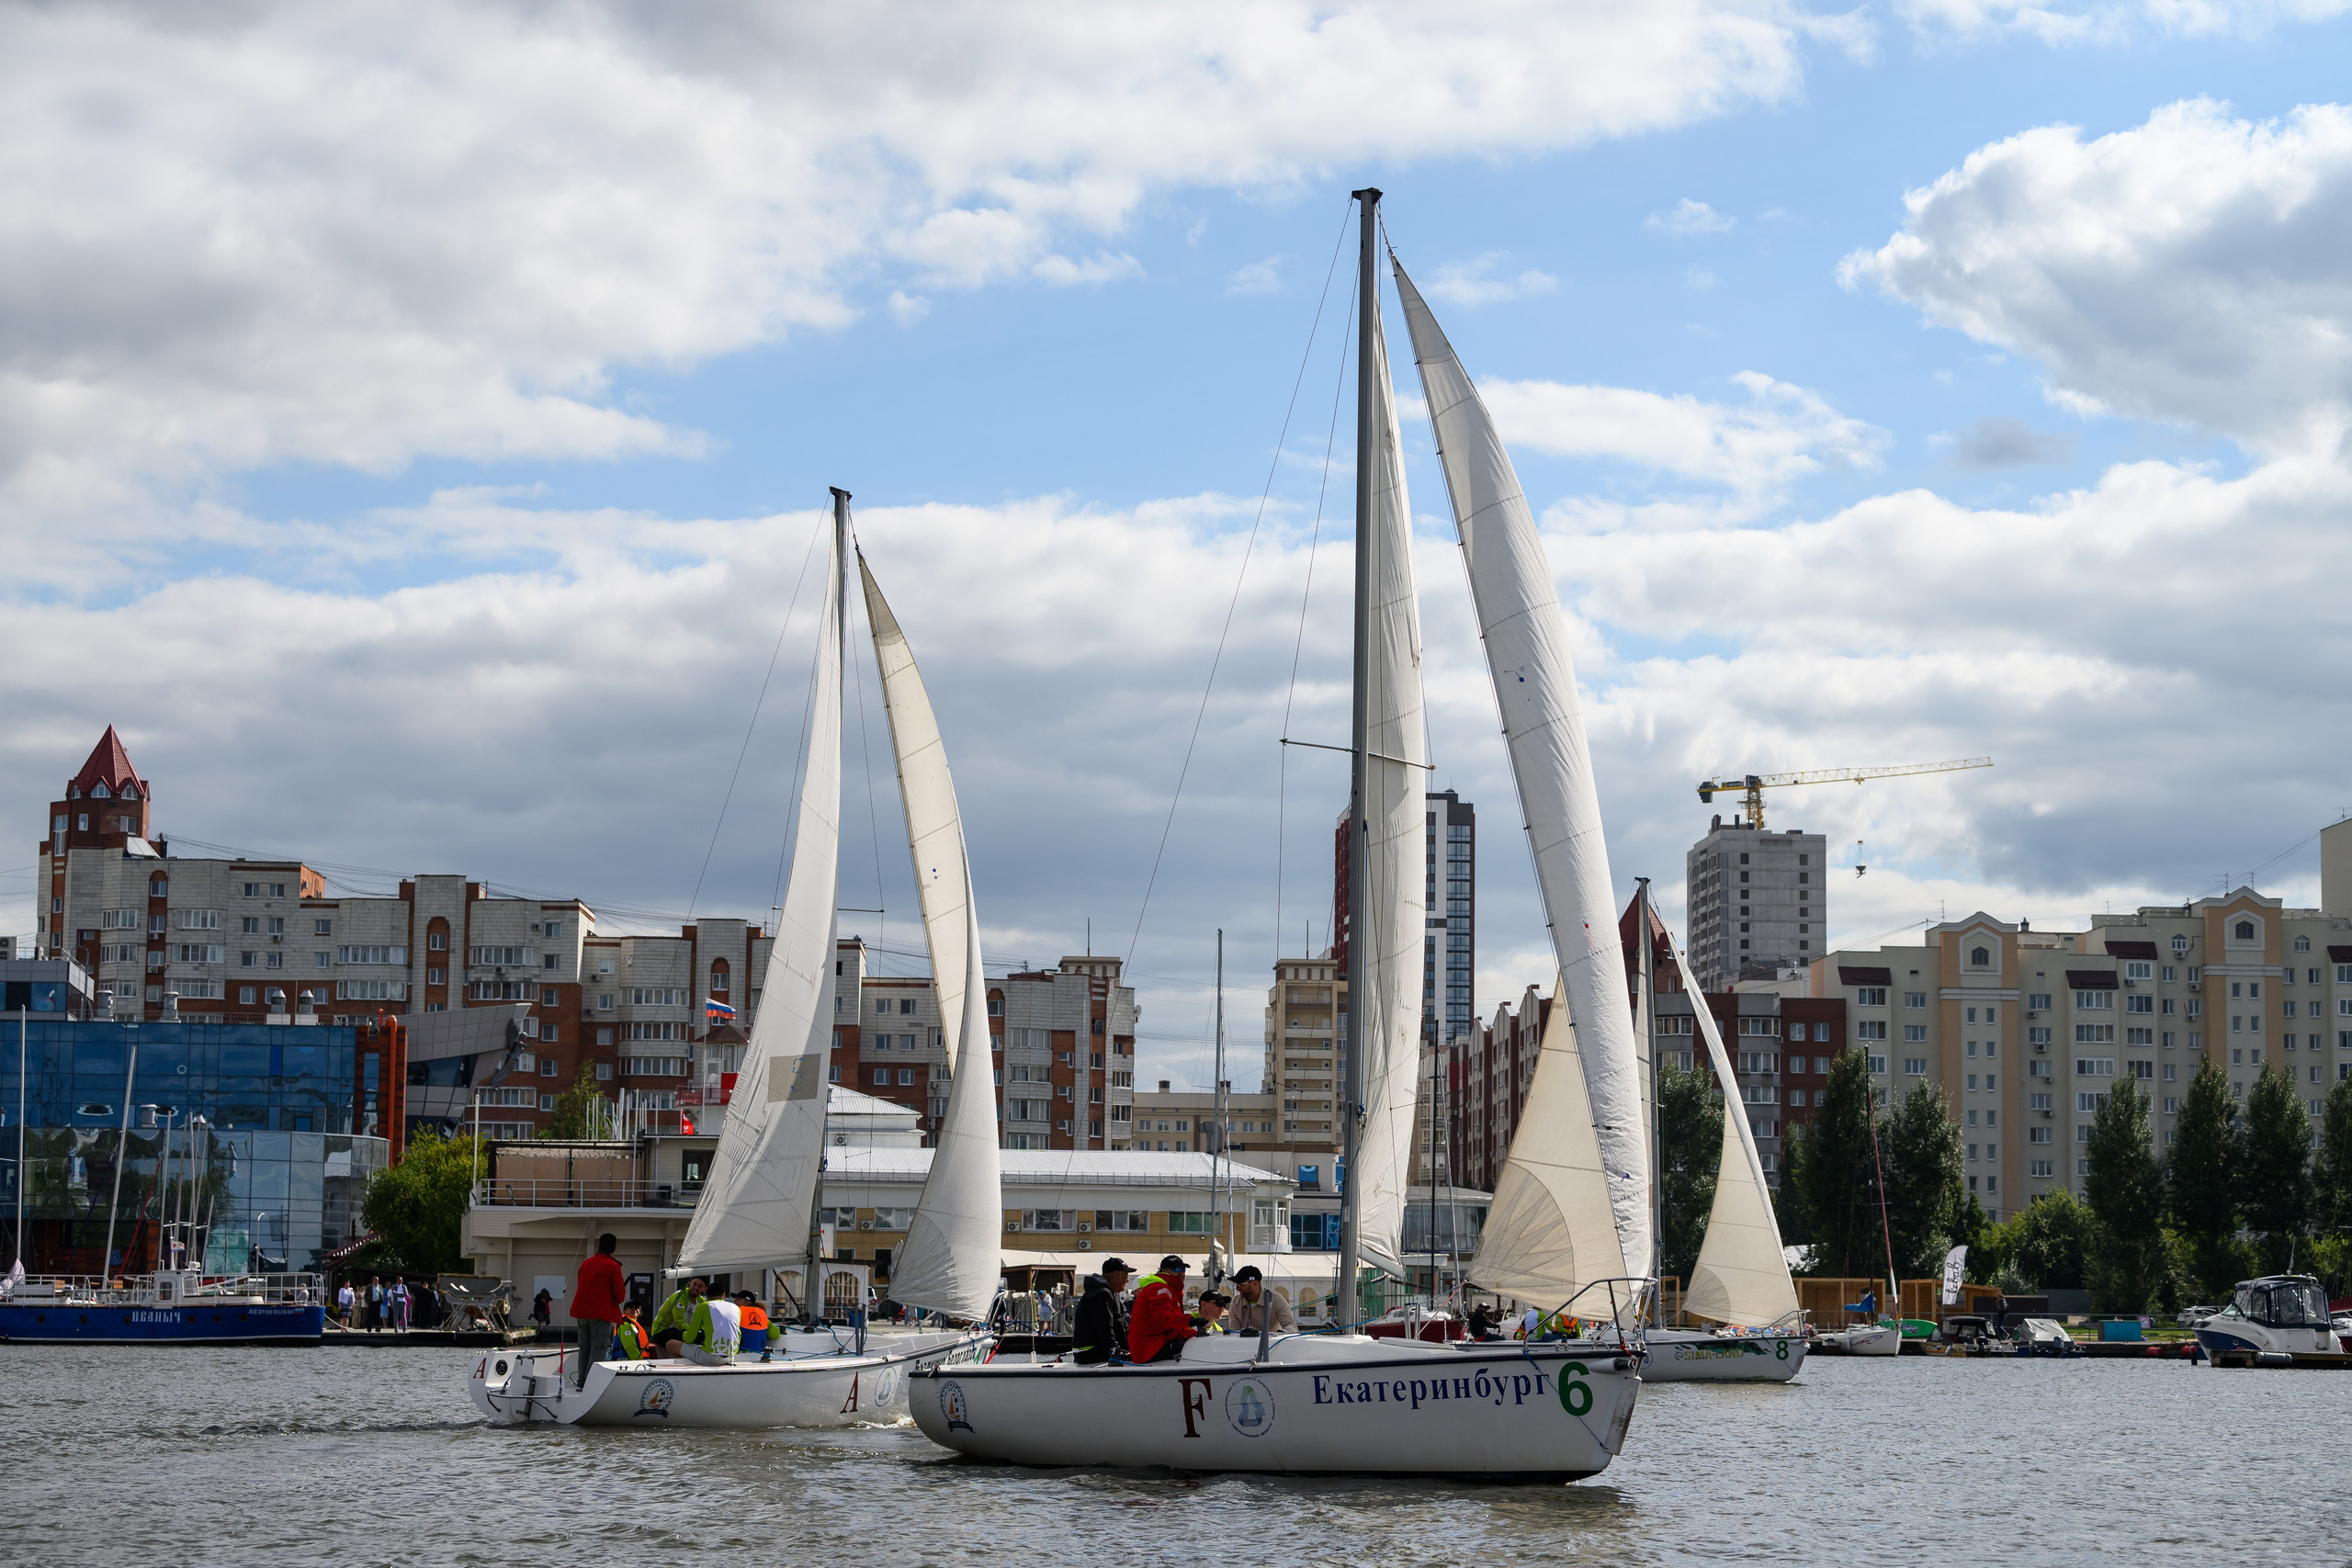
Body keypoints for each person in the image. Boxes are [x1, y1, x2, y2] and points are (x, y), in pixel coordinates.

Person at [571, 1233, 626, 1389]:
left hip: (581, 1312)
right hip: (600, 1313)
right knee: (599, 1348)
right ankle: (591, 1384)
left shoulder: (586, 1263)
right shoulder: (613, 1266)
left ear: (599, 1245)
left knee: (584, 1348)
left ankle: (582, 1380)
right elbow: (620, 1296)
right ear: (613, 1248)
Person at [1127, 1256, 1196, 1365]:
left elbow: (1175, 1328)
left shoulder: (1168, 1289)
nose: (1181, 1273)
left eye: (1183, 1269)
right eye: (1176, 1269)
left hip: (1154, 1344)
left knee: (1197, 1344)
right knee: (1196, 1349)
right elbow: (1164, 1319)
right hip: (1149, 1348)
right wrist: (1191, 1321)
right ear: (1164, 1271)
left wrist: (1197, 1334)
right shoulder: (1160, 1289)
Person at [1071, 1258, 1133, 1365]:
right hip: (1089, 1352)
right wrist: (1115, 1350)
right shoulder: (1101, 1295)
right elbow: (1105, 1327)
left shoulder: (1108, 1293)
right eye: (1126, 1276)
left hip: (1094, 1349)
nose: (1127, 1280)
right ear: (1115, 1275)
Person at [1227, 1266, 1295, 1337]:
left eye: (1241, 1284)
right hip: (1244, 1346)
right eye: (1236, 1284)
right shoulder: (1235, 1302)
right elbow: (1234, 1332)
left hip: (1272, 1346)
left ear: (1255, 1283)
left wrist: (1279, 1334)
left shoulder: (1276, 1300)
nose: (1237, 1288)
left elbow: (1291, 1326)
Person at [683, 1289, 741, 1366]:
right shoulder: (736, 1308)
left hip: (708, 1357)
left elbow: (689, 1338)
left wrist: (683, 1334)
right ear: (723, 1295)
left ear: (707, 1297)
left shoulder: (703, 1306)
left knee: (672, 1344)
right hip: (730, 1358)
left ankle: (685, 1374)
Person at [650, 1277, 706, 1359]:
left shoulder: (701, 1301)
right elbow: (680, 1323)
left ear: (704, 1289)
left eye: (700, 1286)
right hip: (661, 1331)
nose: (696, 1288)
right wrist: (694, 1333)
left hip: (681, 1330)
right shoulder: (680, 1297)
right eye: (694, 1284)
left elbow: (702, 1323)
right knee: (688, 1337)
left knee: (701, 1336)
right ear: (690, 1283)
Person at [736, 1289, 772, 1360]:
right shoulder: (762, 1314)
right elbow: (775, 1334)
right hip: (759, 1355)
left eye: (738, 1299)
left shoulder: (737, 1312)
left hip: (739, 1355)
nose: (735, 1301)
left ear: (747, 1301)